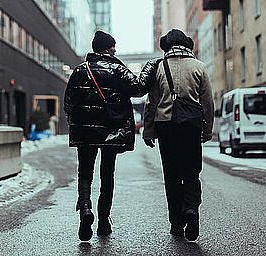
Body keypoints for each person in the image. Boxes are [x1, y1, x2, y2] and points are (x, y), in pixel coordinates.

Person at [64, 30, 158, 241]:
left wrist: (76, 122)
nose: (115, 49)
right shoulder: (117, 69)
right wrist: (150, 66)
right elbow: (139, 88)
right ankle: (104, 221)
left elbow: (68, 101)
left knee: (85, 172)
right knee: (107, 174)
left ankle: (85, 210)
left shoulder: (80, 70)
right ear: (107, 48)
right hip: (111, 131)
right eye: (113, 46)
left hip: (85, 131)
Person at [143, 28, 214, 241]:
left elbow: (151, 102)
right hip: (191, 126)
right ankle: (191, 209)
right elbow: (208, 103)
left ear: (167, 46)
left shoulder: (159, 68)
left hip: (166, 127)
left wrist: (148, 130)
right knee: (192, 172)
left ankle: (176, 223)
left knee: (172, 176)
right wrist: (207, 130)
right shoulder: (199, 67)